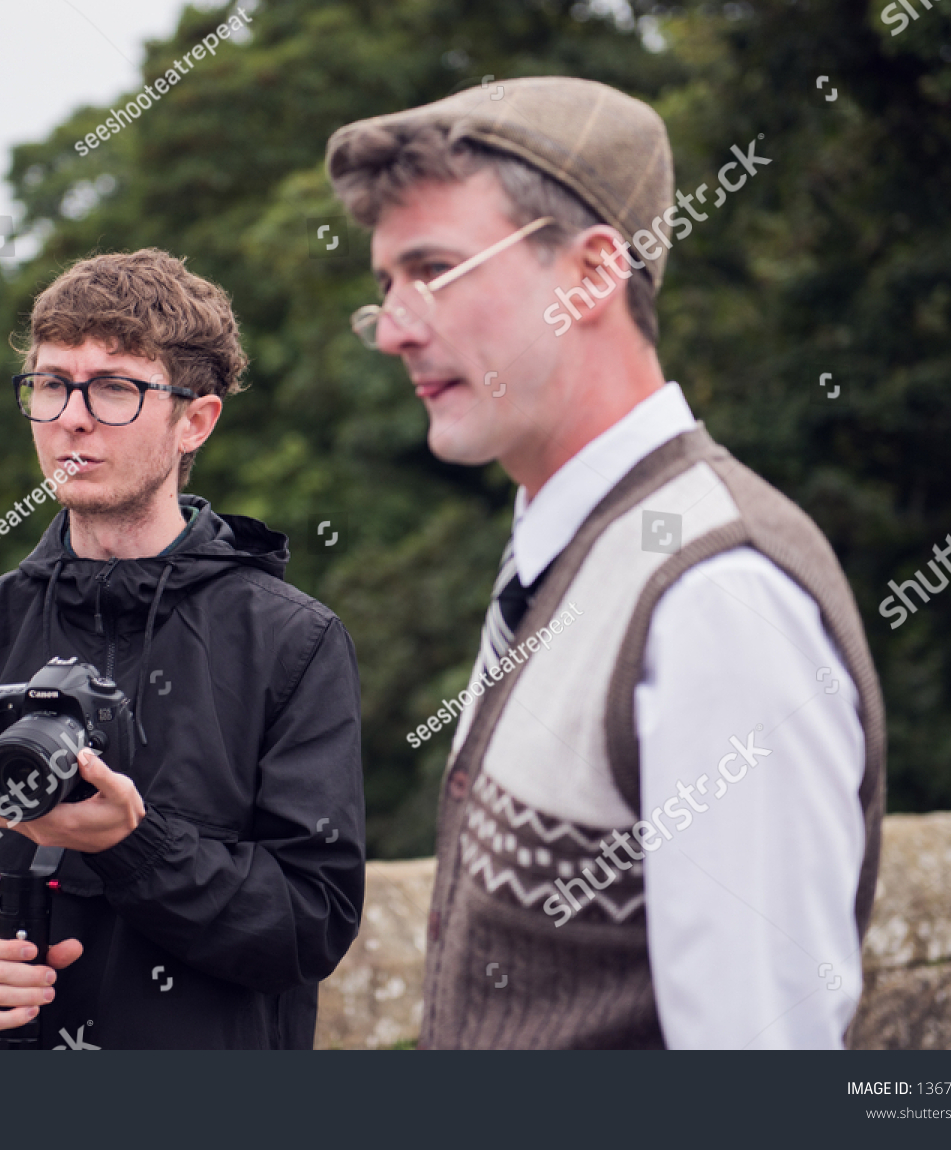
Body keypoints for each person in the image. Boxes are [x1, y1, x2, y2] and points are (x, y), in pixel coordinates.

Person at [325, 77, 885, 1049]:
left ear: (591, 275)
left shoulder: (717, 597)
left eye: (436, 271)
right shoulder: (563, 542)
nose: (398, 329)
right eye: (385, 287)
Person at [0, 249, 365, 1050]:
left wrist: (136, 846)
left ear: (195, 419)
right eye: (51, 384)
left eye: (116, 388)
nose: (72, 417)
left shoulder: (292, 643)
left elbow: (308, 926)